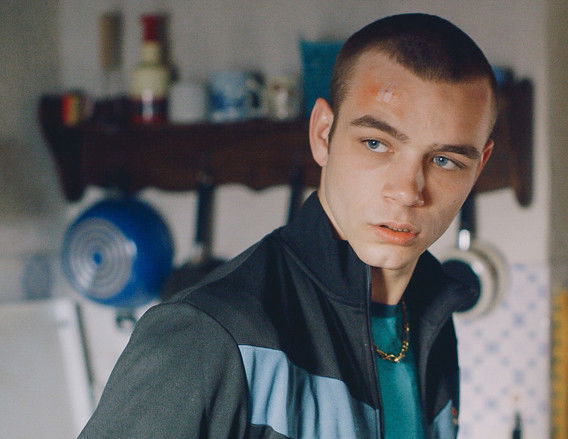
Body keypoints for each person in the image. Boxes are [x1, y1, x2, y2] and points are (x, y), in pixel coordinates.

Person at [78, 13, 496, 439]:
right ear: (323, 134)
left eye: (444, 160)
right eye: (376, 143)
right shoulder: (208, 334)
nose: (407, 191)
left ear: (479, 168)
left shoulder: (431, 319)